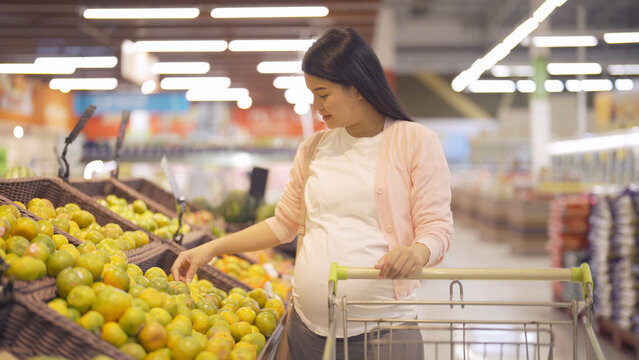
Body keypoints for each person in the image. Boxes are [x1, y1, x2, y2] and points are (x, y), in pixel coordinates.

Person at [172, 26, 454, 359]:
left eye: (323, 93)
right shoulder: (314, 147)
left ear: (358, 88)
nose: (316, 105)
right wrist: (212, 248)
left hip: (383, 332)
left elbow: (437, 229)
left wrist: (419, 251)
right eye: (312, 94)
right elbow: (282, 225)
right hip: (307, 331)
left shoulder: (415, 141)